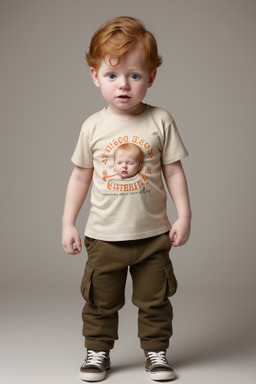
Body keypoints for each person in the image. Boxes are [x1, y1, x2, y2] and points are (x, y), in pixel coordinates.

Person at [62, 16, 191, 382]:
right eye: (112, 75)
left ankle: (156, 353)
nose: (124, 84)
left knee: (155, 301)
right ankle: (97, 352)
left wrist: (184, 216)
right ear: (94, 76)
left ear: (151, 77)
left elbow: (174, 172)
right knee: (100, 302)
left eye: (135, 75)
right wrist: (68, 221)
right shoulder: (93, 126)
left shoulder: (160, 120)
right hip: (104, 236)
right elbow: (79, 176)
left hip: (153, 236)